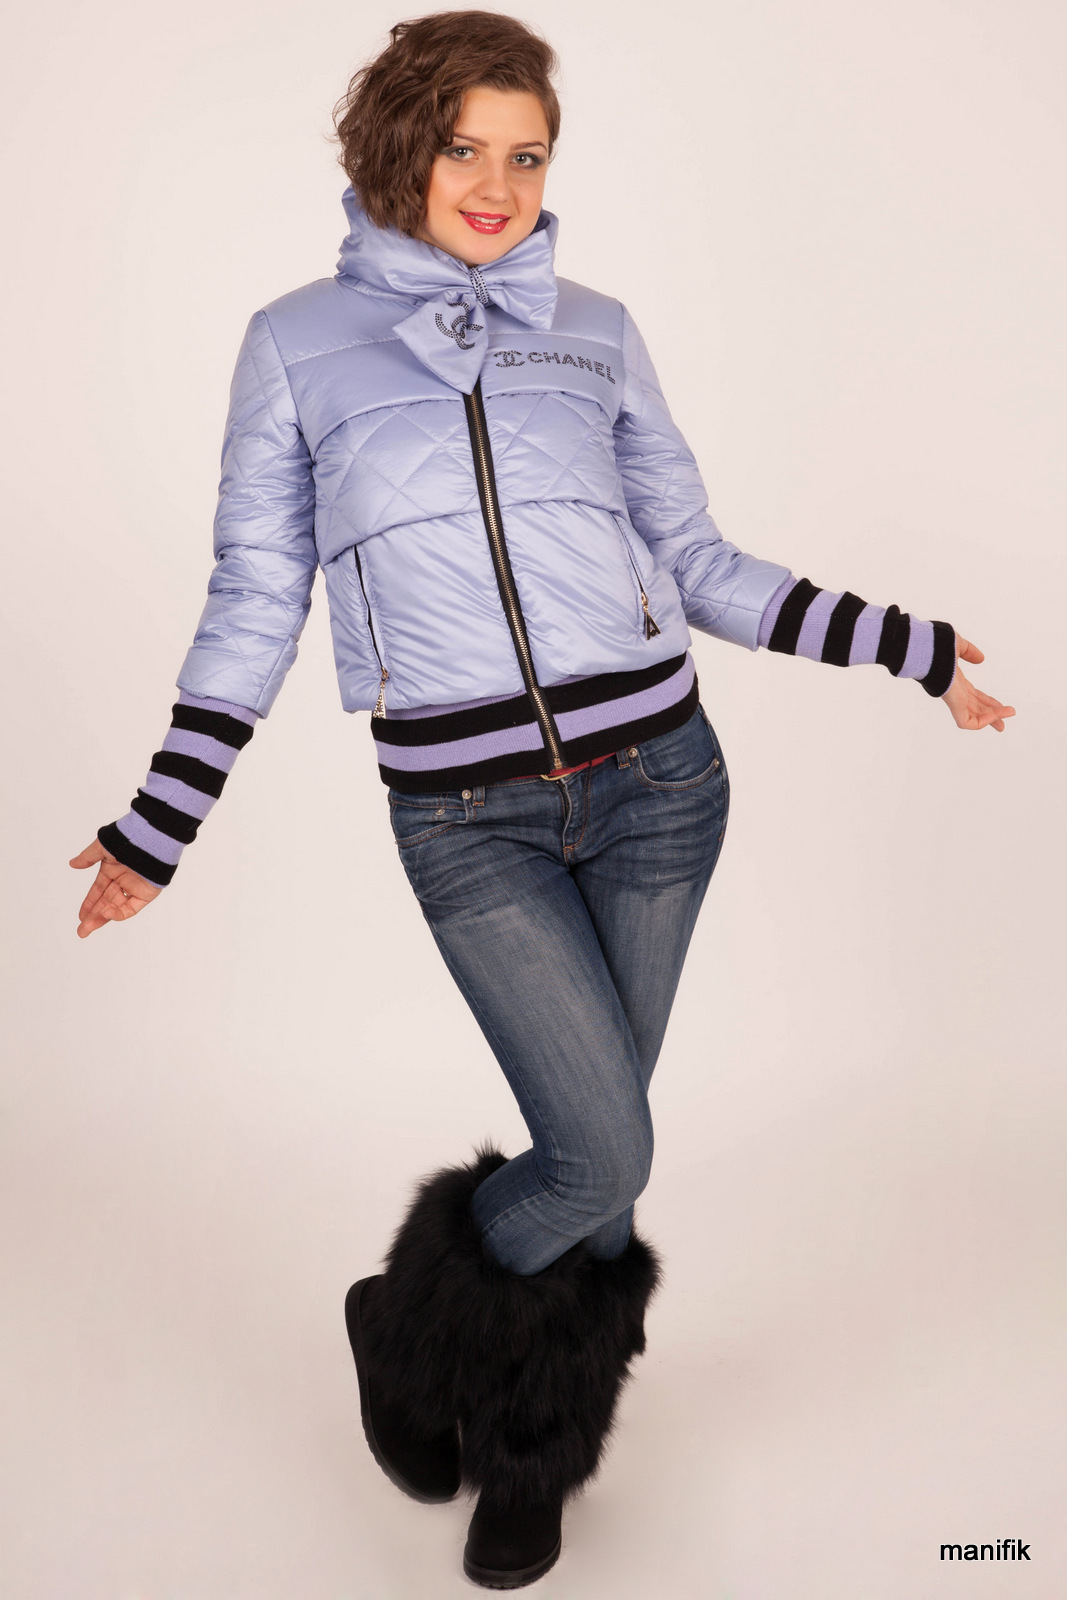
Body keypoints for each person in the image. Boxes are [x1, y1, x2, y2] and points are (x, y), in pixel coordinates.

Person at [69, 11, 1015, 1590]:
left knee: (602, 1160)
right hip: (469, 821)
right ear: (402, 143)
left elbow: (696, 559)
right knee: (601, 1153)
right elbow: (255, 596)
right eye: (466, 147)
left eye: (528, 154)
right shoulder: (295, 346)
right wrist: (161, 822)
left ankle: (528, 1446)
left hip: (662, 790)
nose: (498, 185)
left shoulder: (597, 329)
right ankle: (409, 1330)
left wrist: (905, 649)